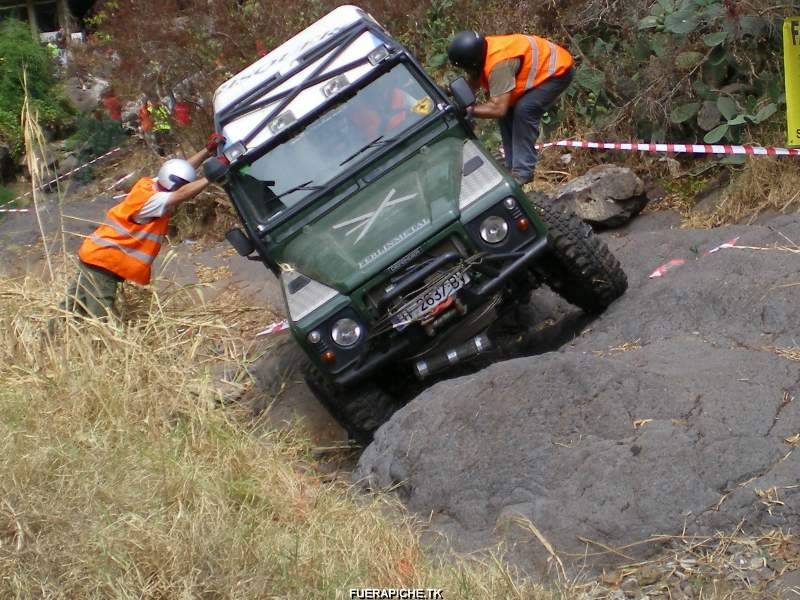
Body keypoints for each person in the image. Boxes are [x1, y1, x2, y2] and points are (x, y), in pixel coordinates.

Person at [61, 134, 225, 320]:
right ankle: (92, 344)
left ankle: (50, 337)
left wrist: (207, 151)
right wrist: (210, 178)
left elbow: (179, 172)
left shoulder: (150, 184)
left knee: (71, 308)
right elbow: (182, 194)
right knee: (99, 318)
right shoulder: (152, 202)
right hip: (104, 263)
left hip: (95, 255)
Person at [447, 30, 575, 185]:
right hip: (541, 70)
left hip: (557, 72)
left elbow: (498, 109)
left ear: (473, 62)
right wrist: (449, 93)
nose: (467, 71)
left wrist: (468, 111)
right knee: (508, 113)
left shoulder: (499, 64)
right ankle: (512, 168)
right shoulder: (481, 51)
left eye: (466, 68)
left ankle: (522, 172)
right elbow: (473, 81)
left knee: (524, 110)